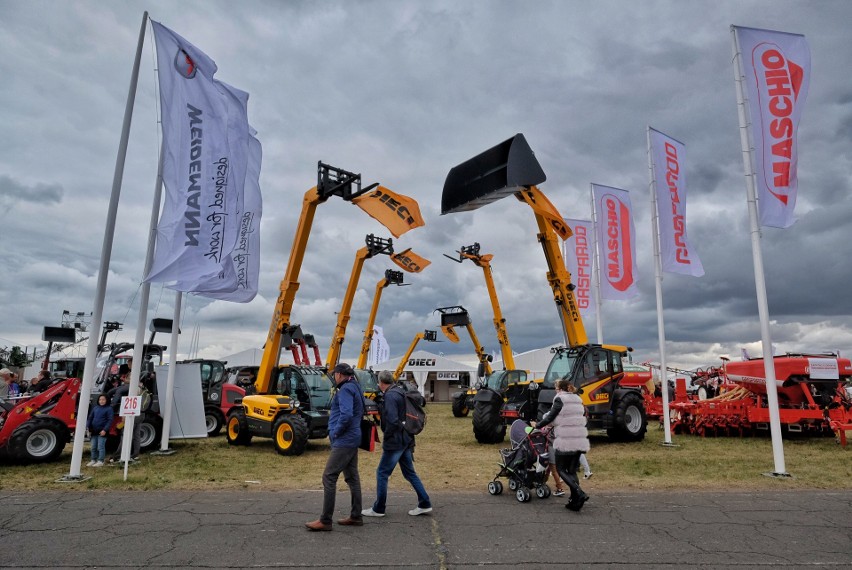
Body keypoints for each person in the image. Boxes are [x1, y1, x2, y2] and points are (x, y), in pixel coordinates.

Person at [362, 371, 432, 518]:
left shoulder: (390, 396)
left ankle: (379, 508)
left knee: (382, 473)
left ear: (381, 382)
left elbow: (392, 420)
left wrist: (386, 437)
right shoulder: (399, 391)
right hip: (405, 438)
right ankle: (424, 503)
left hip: (395, 441)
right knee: (409, 473)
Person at [305, 362, 364, 531]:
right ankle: (355, 515)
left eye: (334, 375)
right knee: (352, 478)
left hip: (344, 440)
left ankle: (325, 520)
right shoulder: (355, 386)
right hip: (353, 438)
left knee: (329, 477)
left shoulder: (345, 390)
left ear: (339, 375)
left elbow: (346, 414)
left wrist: (335, 432)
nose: (333, 377)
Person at [533, 379, 590, 511]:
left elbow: (550, 417)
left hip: (565, 438)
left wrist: (538, 425)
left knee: (561, 469)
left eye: (556, 387)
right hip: (579, 437)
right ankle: (575, 501)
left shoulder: (560, 399)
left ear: (561, 388)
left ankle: (579, 493)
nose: (555, 390)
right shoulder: (577, 399)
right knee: (571, 471)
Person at [108, 364, 142, 462]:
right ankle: (135, 454)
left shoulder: (133, 377)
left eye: (129, 362)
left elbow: (133, 383)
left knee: (126, 433)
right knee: (136, 434)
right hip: (138, 412)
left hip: (132, 412)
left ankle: (118, 455)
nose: (128, 364)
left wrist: (123, 415)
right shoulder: (130, 374)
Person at [87, 394, 114, 467]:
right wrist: (88, 427)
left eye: (103, 400)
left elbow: (110, 420)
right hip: (94, 430)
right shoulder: (95, 408)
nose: (101, 401)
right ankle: (93, 460)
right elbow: (90, 418)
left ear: (107, 400)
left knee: (100, 447)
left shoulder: (109, 409)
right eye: (100, 400)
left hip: (102, 431)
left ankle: (100, 461)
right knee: (93, 447)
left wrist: (105, 430)